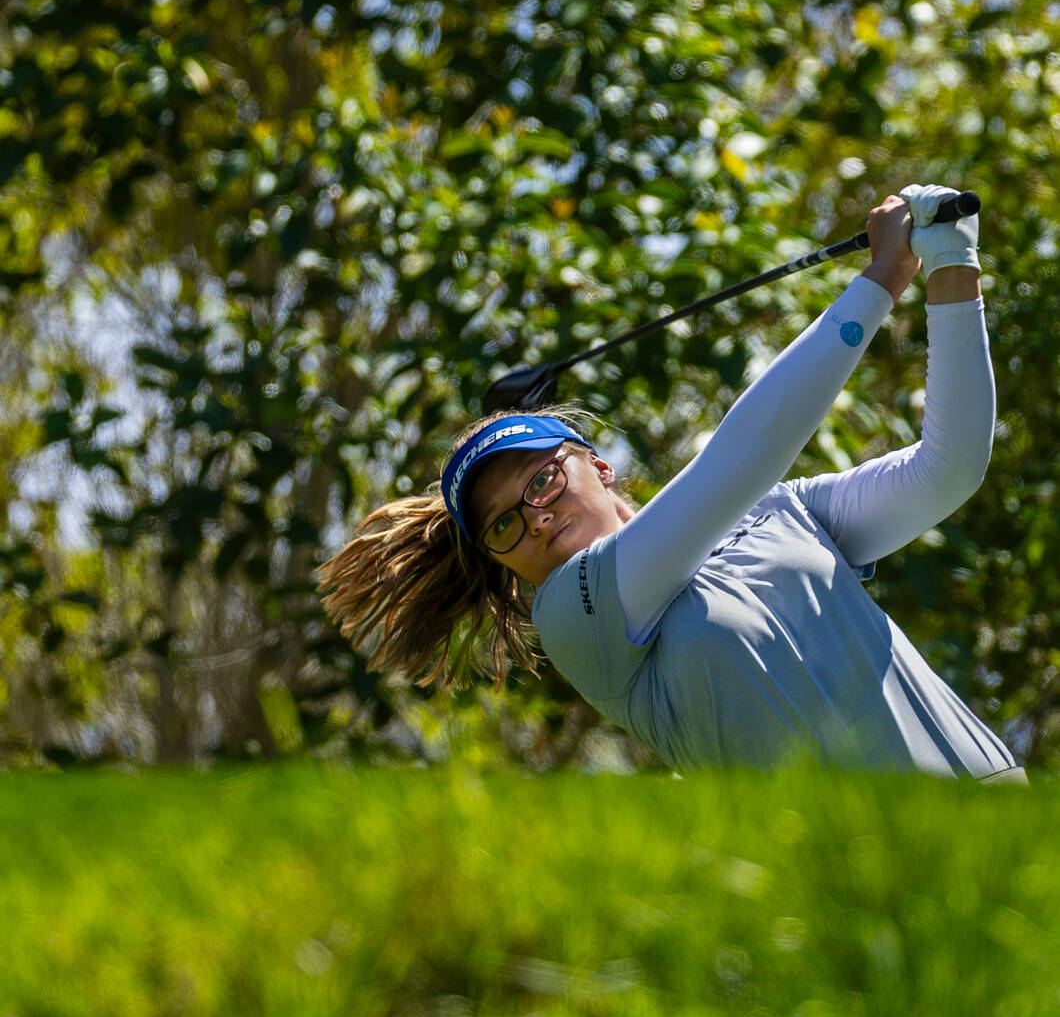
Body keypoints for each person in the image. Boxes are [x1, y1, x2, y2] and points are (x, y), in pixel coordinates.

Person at [318, 185, 1027, 782]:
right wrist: (880, 283)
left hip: (994, 807)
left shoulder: (779, 512)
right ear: (501, 561)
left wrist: (950, 264)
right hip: (854, 891)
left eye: (541, 480)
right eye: (502, 524)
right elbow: (739, 463)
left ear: (597, 467)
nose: (533, 517)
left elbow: (949, 469)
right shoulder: (573, 615)